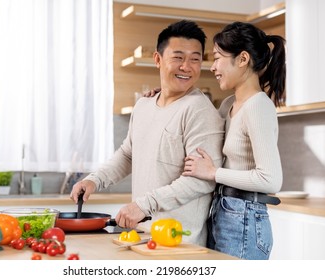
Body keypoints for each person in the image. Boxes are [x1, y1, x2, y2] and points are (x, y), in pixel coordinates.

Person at [70, 20, 224, 246]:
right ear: (158, 59)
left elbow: (201, 181)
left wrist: (143, 205)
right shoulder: (144, 106)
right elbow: (128, 154)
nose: (187, 66)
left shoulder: (200, 111)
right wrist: (95, 180)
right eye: (178, 57)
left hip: (179, 244)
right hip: (142, 237)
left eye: (195, 59)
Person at [182, 22, 285, 259]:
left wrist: (213, 173)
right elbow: (202, 127)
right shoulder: (228, 104)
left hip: (246, 219)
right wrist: (166, 93)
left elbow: (270, 179)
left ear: (242, 59)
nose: (213, 67)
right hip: (224, 212)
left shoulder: (258, 106)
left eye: (218, 58)